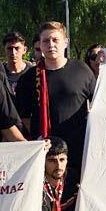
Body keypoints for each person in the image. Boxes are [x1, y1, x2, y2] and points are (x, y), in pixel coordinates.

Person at [15, 22, 95, 170]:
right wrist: (38, 137)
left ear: (65, 42)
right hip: (46, 154)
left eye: (55, 40)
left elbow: (98, 104)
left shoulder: (82, 70)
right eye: (46, 41)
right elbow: (24, 116)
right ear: (40, 44)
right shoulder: (29, 78)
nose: (51, 45)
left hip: (79, 151)